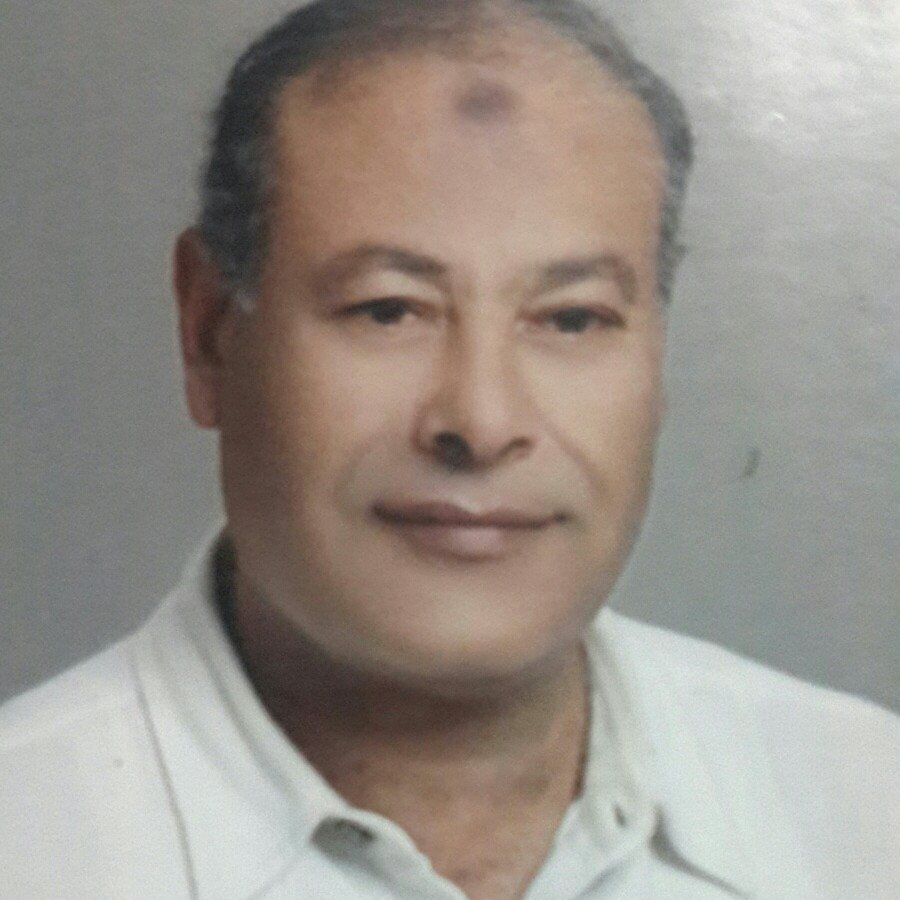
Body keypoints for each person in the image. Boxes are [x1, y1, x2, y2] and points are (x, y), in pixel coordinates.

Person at [1, 1, 896, 897]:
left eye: (571, 318)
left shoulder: (867, 807)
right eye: (388, 309)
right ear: (207, 334)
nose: (482, 420)